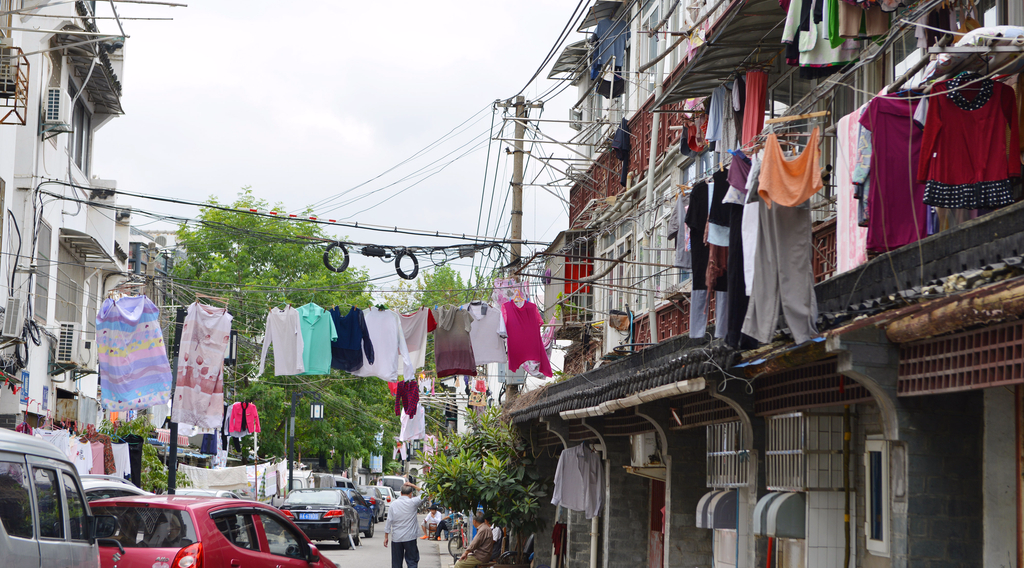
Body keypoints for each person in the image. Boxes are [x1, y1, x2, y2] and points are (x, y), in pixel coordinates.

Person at [385, 482, 423, 568]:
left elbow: (389, 521)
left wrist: (386, 536)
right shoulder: (413, 502)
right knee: (412, 561)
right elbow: (425, 494)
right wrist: (413, 485)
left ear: (401, 493)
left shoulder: (393, 504)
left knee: (396, 563)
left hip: (397, 538)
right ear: (411, 493)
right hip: (410, 537)